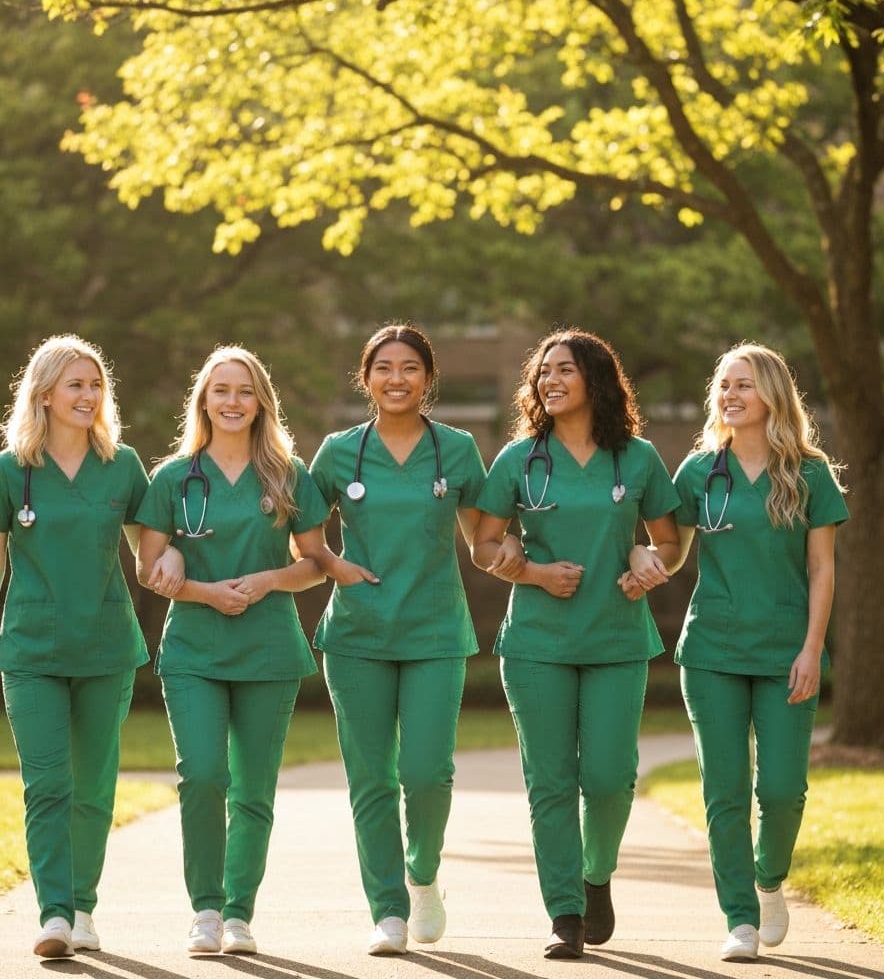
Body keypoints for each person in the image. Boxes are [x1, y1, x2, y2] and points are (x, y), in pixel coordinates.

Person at [306, 323, 523, 956]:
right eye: (383, 368)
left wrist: (515, 554)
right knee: (371, 777)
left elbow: (482, 541)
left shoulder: (455, 451)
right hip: (356, 635)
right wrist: (331, 562)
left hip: (434, 631)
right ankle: (388, 911)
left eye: (409, 368)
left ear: (428, 380)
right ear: (365, 377)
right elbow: (302, 530)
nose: (395, 379)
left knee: (427, 773)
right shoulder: (337, 453)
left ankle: (422, 875)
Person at [628, 343, 848, 962]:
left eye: (744, 385)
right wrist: (646, 561)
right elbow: (667, 547)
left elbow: (822, 570)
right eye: (723, 385)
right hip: (712, 651)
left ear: (773, 394)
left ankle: (770, 878)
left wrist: (811, 648)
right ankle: (741, 919)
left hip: (786, 651)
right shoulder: (699, 472)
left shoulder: (809, 474)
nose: (730, 395)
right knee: (723, 789)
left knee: (781, 789)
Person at [0, 335, 182, 958]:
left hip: (106, 647)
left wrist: (171, 553)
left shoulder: (123, 464)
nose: (88, 396)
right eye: (75, 386)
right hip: (30, 651)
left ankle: (83, 907)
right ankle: (54, 914)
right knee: (47, 785)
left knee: (93, 785)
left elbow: (152, 544)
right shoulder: (8, 470)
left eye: (95, 385)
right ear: (44, 395)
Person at [473, 328, 680, 959]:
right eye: (542, 373)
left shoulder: (638, 457)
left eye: (564, 369)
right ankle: (565, 912)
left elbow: (670, 542)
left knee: (612, 778)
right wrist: (532, 571)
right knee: (551, 782)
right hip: (537, 642)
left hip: (617, 638)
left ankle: (596, 876)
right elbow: (484, 547)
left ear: (596, 378)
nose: (550, 381)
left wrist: (653, 561)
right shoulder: (518, 459)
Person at [134, 345, 329, 956]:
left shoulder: (289, 475)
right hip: (194, 647)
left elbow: (316, 564)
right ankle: (206, 910)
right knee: (202, 776)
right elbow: (148, 566)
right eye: (221, 390)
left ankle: (240, 912)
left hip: (268, 648)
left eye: (244, 391)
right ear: (203, 400)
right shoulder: (172, 477)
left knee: (253, 788)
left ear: (261, 402)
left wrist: (271, 580)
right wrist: (201, 589)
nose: (233, 402)